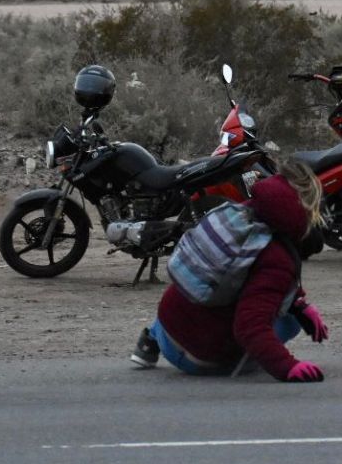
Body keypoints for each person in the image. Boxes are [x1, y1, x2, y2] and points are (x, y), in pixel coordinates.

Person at [130, 161, 331, 382]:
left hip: (166, 327)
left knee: (203, 280)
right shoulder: (277, 257)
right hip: (198, 359)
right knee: (290, 322)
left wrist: (299, 303)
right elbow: (249, 327)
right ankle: (248, 361)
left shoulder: (240, 213)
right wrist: (286, 366)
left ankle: (151, 340)